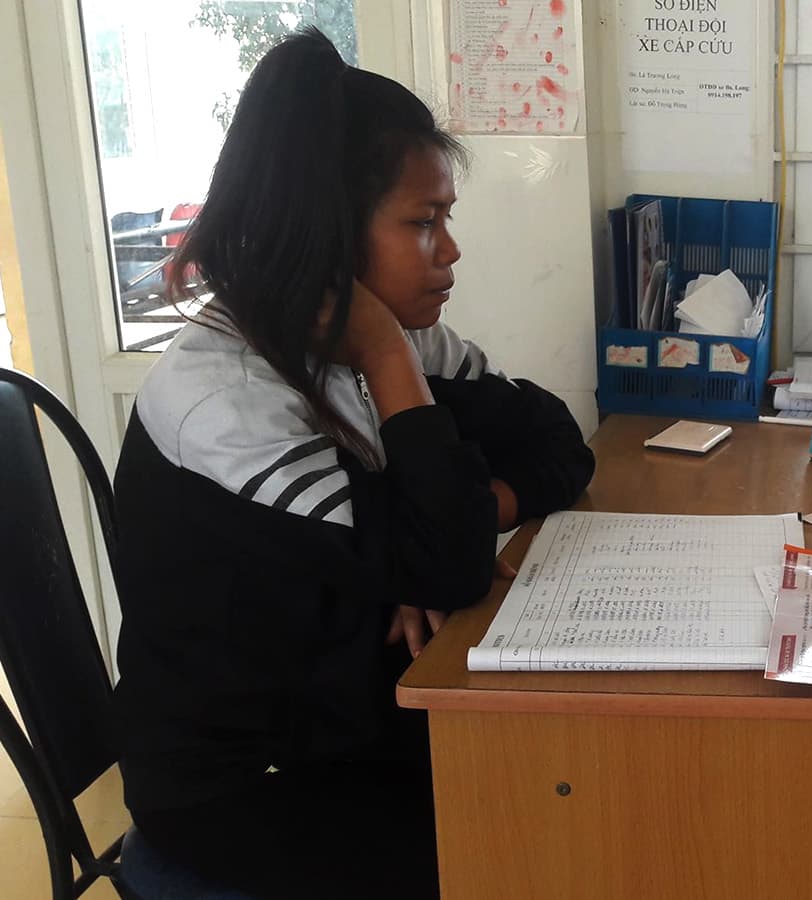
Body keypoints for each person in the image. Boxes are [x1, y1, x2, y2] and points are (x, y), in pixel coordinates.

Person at [110, 29, 595, 899]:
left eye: (446, 219)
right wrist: (385, 360)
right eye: (422, 222)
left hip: (359, 716)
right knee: (538, 848)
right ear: (328, 234)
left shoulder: (401, 338)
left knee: (583, 790)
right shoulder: (228, 402)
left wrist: (440, 530)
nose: (449, 252)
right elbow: (451, 561)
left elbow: (561, 442)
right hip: (250, 784)